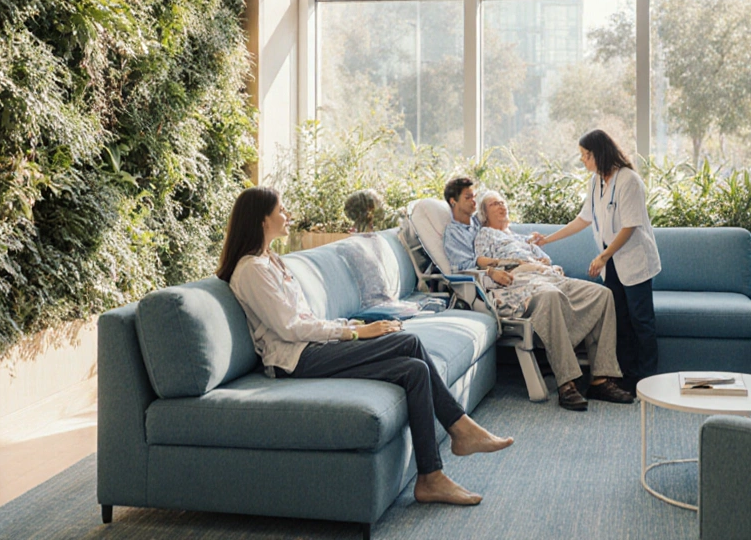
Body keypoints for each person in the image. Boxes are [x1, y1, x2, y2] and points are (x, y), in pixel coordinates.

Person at [219, 186, 513, 506]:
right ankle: (461, 429)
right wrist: (357, 334)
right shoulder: (252, 270)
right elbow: (291, 328)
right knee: (409, 341)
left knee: (414, 370)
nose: (287, 215)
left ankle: (431, 478)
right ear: (262, 220)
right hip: (296, 358)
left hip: (311, 348)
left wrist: (350, 326)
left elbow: (302, 318)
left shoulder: (272, 261)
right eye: (281, 210)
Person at [444, 182, 634, 411]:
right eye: (495, 204)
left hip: (549, 276)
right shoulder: (485, 234)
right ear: (484, 215)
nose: (502, 206)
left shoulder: (521, 238)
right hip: (522, 282)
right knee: (551, 297)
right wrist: (507, 266)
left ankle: (601, 379)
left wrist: (540, 258)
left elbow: (546, 259)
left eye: (503, 202)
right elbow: (480, 261)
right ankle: (567, 383)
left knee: (603, 294)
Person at [531, 130, 661, 389]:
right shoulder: (596, 181)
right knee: (619, 320)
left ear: (598, 153)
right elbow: (583, 219)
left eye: (585, 155)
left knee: (640, 321)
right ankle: (624, 376)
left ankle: (647, 380)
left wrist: (602, 256)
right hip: (612, 262)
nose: (582, 160)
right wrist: (548, 239)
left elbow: (630, 226)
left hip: (634, 260)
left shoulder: (629, 181)